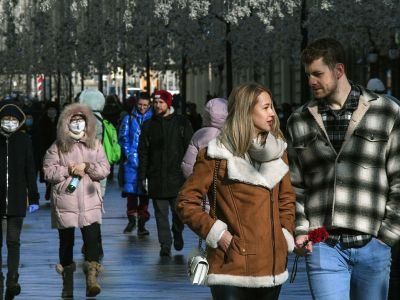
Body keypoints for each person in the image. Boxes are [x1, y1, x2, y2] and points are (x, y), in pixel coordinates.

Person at [286, 38, 400, 300]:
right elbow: (296, 185)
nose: (311, 81)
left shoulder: (386, 112)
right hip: (324, 245)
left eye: (318, 74)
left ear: (339, 70)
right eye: (308, 75)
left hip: (373, 242)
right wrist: (302, 231)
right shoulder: (299, 120)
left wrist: (387, 236)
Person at [176, 83, 295, 300]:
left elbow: (286, 199)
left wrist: (284, 234)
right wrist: (218, 234)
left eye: (272, 107)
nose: (272, 114)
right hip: (230, 266)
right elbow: (186, 202)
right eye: (266, 107)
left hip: (272, 267)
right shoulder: (216, 154)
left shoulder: (279, 152)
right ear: (246, 111)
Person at [43, 103, 110, 298]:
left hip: (90, 201)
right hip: (66, 201)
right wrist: (68, 170)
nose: (77, 124)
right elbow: (48, 171)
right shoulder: (57, 147)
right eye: (73, 121)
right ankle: (67, 282)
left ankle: (92, 280)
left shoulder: (95, 144)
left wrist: (88, 166)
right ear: (66, 123)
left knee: (92, 242)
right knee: (66, 243)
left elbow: (104, 168)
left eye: (81, 121)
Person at [138, 89, 193, 257]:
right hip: (156, 176)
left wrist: (189, 173)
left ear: (168, 104)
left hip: (177, 177)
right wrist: (143, 176)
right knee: (160, 214)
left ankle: (177, 233)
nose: (157, 105)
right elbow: (143, 152)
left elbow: (190, 149)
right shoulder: (148, 125)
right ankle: (165, 244)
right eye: (155, 102)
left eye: (161, 102)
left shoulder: (181, 123)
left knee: (178, 213)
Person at [0, 102, 40, 300]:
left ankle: (12, 278)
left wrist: (33, 196)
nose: (9, 122)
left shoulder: (24, 141)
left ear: (19, 122)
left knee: (13, 241)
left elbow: (30, 170)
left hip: (16, 198)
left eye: (13, 120)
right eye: (6, 119)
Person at [119, 92, 153, 235]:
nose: (142, 107)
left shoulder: (153, 119)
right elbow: (123, 137)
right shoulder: (129, 118)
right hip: (132, 161)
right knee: (132, 192)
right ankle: (132, 219)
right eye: (140, 104)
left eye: (145, 105)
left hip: (148, 161)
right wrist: (129, 154)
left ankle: (142, 223)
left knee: (145, 193)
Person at [181, 98, 228, 178]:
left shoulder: (200, 135)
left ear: (206, 114)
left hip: (202, 181)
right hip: (225, 185)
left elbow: (188, 166)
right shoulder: (233, 135)